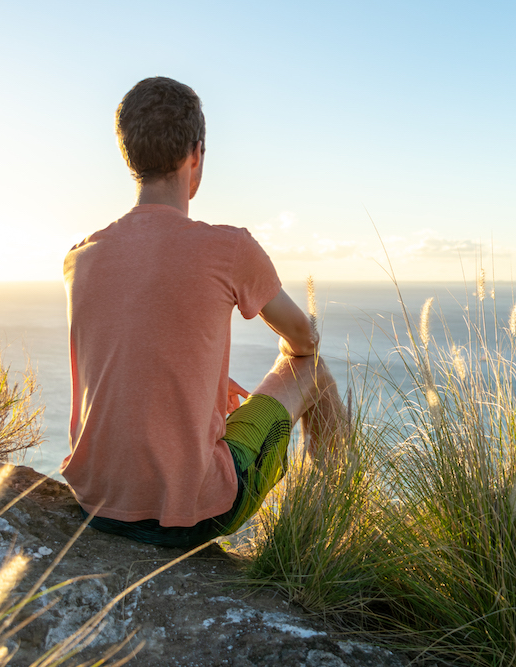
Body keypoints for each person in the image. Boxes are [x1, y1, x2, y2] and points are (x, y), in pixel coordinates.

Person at [61, 77, 347, 548]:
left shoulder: (80, 258)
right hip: (191, 511)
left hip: (95, 503)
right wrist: (290, 349)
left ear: (128, 156)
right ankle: (334, 519)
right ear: (197, 154)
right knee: (310, 370)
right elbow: (304, 339)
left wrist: (205, 383)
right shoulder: (229, 248)